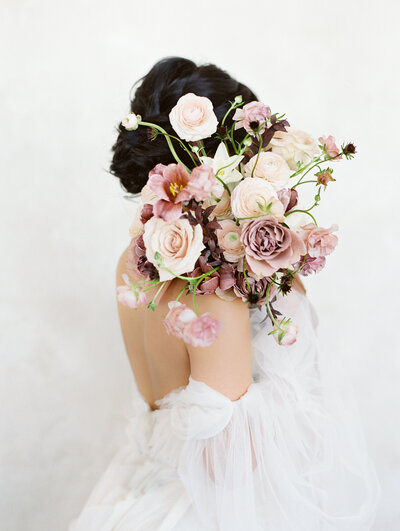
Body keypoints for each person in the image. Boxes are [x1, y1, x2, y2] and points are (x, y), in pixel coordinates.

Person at [70, 57, 380, 530]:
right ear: (230, 166)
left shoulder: (135, 259)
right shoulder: (214, 289)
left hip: (142, 485)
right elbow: (224, 464)